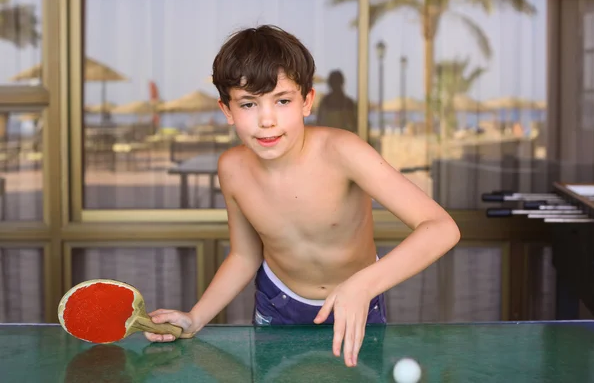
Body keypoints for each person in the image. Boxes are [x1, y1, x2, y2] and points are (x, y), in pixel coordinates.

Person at [144, 25, 461, 368]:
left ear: (307, 101)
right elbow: (245, 255)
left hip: (357, 301)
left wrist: (362, 285)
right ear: (227, 111)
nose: (267, 120)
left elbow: (442, 227)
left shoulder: (343, 151)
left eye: (282, 101)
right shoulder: (232, 168)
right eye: (249, 104)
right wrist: (195, 317)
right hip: (278, 303)